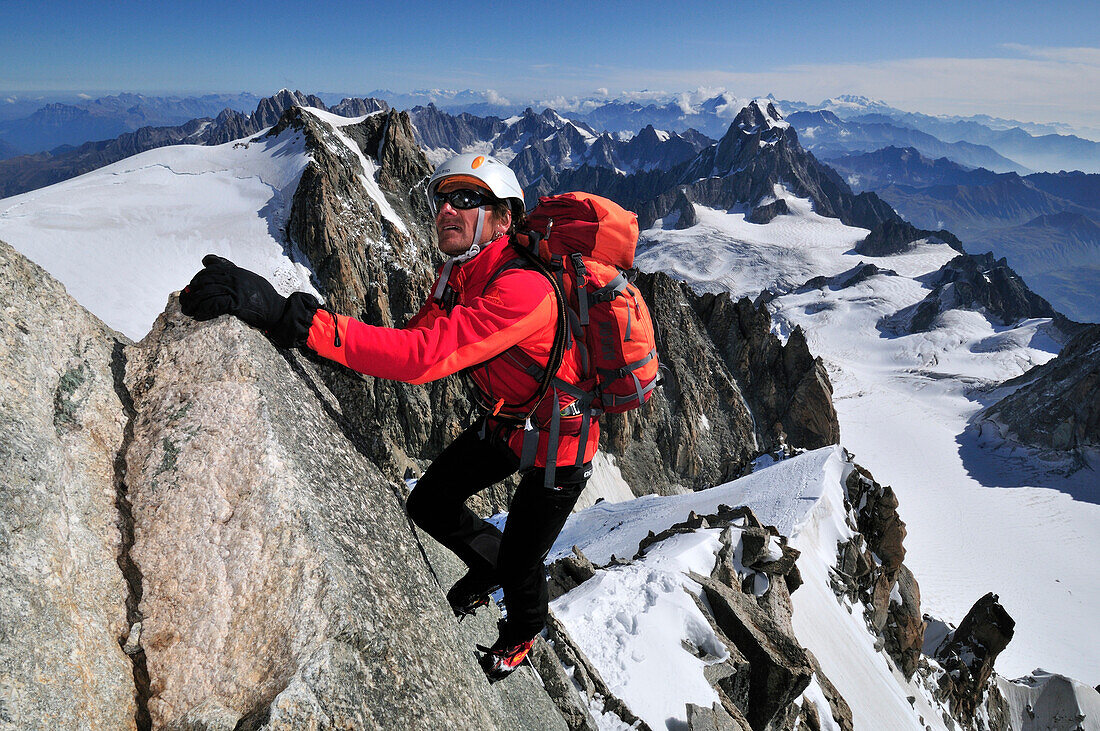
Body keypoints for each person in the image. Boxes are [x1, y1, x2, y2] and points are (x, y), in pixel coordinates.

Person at [179, 152, 598, 681]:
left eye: (468, 198)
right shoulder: (460, 275)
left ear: (504, 218)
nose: (448, 208)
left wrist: (299, 320)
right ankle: (493, 566)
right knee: (429, 502)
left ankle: (520, 637)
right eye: (443, 197)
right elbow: (409, 338)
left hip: (561, 440)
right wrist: (299, 327)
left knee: (522, 563)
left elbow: (423, 358)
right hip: (510, 421)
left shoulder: (524, 290)